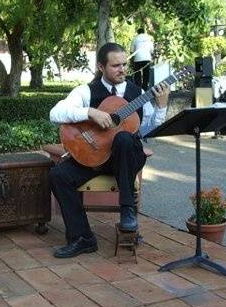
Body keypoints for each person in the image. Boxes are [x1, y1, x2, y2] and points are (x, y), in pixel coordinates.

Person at [48, 42, 170, 258]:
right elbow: (55, 114)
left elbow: (149, 130)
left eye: (124, 64)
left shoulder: (138, 93)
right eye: (115, 65)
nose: (122, 69)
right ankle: (82, 238)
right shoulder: (86, 91)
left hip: (126, 159)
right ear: (101, 67)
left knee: (123, 137)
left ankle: (127, 212)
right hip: (96, 158)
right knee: (58, 175)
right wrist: (90, 113)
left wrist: (161, 106)